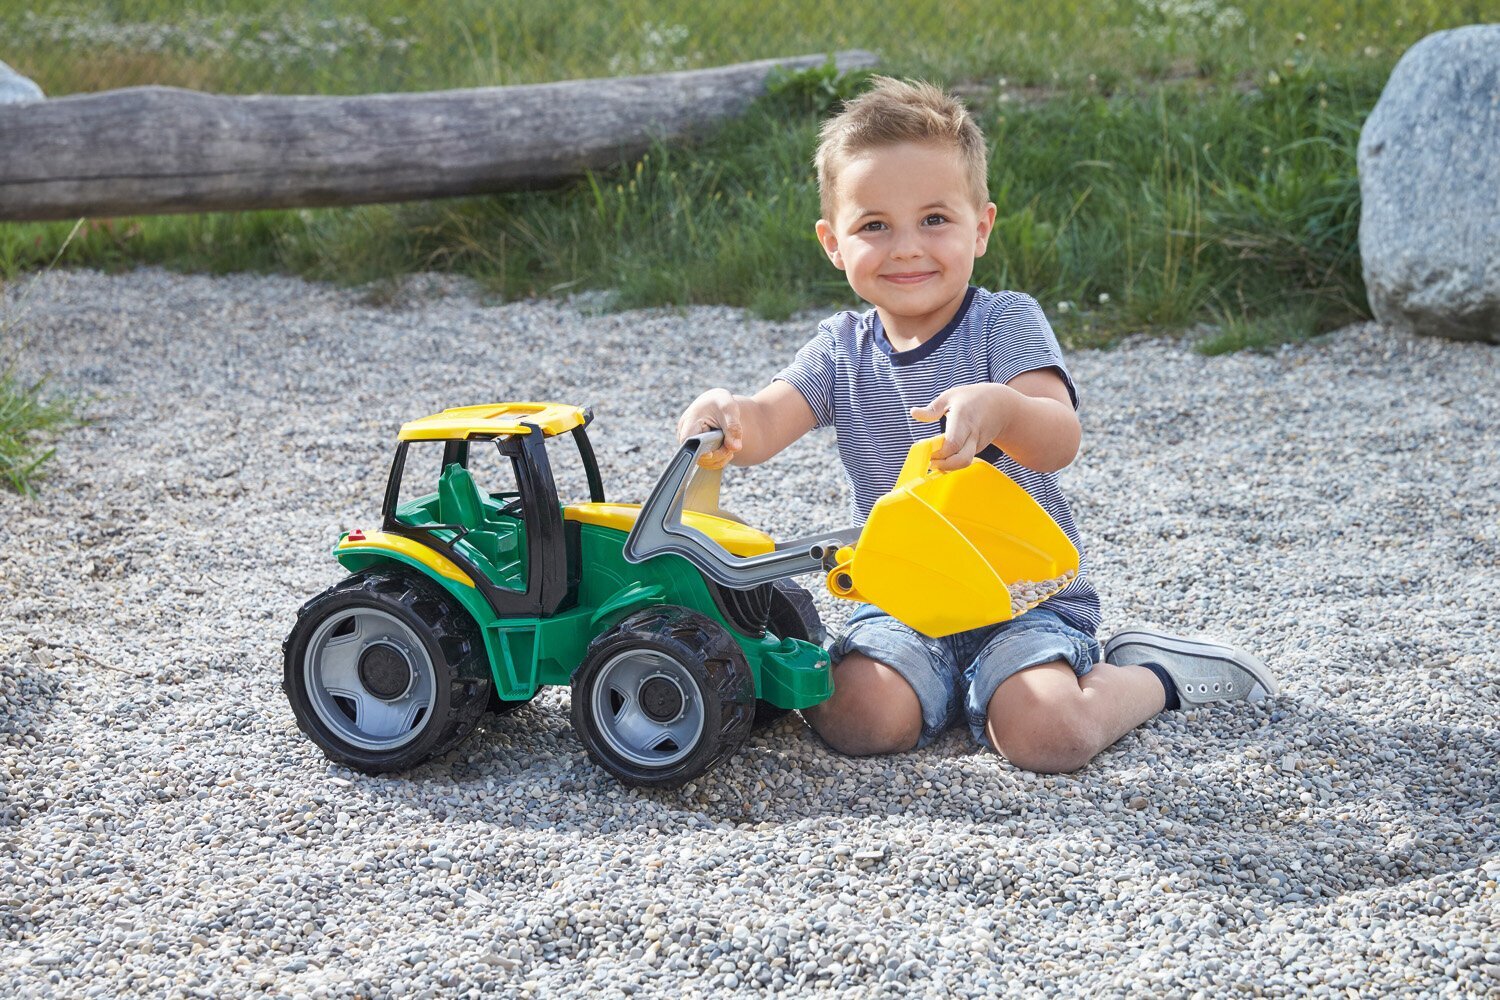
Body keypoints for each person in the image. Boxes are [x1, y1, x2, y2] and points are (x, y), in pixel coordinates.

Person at [675, 77, 1276, 773]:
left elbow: (1059, 438)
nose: (906, 248)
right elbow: (766, 420)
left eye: (935, 219)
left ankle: (1153, 676)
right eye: (875, 225)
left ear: (980, 227)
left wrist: (1004, 409)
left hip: (1022, 600)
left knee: (1047, 736)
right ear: (833, 243)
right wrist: (726, 413)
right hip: (904, 598)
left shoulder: (1004, 322)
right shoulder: (841, 349)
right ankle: (939, 692)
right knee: (856, 720)